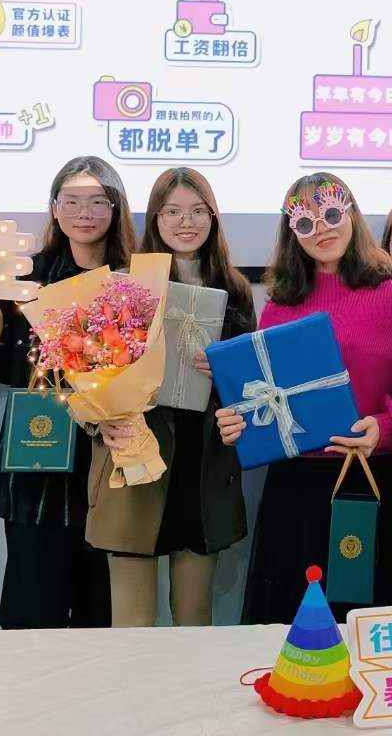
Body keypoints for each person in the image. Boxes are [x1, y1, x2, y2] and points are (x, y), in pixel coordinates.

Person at [217, 173, 392, 623]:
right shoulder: (279, 304)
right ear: (291, 231)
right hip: (296, 489)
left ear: (351, 214)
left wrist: (386, 427)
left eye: (332, 214)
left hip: (373, 481)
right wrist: (238, 421)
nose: (321, 229)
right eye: (305, 222)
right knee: (296, 629)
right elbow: (267, 398)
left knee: (371, 626)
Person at [0, 156, 136, 629]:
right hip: (36, 462)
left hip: (107, 460)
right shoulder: (26, 276)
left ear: (115, 208)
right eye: (72, 201)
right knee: (30, 619)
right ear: (54, 208)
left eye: (98, 201)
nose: (85, 213)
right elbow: (5, 372)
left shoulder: (134, 280)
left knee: (100, 621)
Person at [91, 168, 254, 627]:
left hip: (203, 466)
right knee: (132, 625)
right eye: (173, 211)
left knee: (194, 621)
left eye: (199, 211)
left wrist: (226, 374)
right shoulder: (125, 284)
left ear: (213, 218)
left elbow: (251, 386)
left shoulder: (236, 289)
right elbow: (88, 376)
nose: (187, 222)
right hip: (135, 460)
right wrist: (98, 420)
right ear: (155, 218)